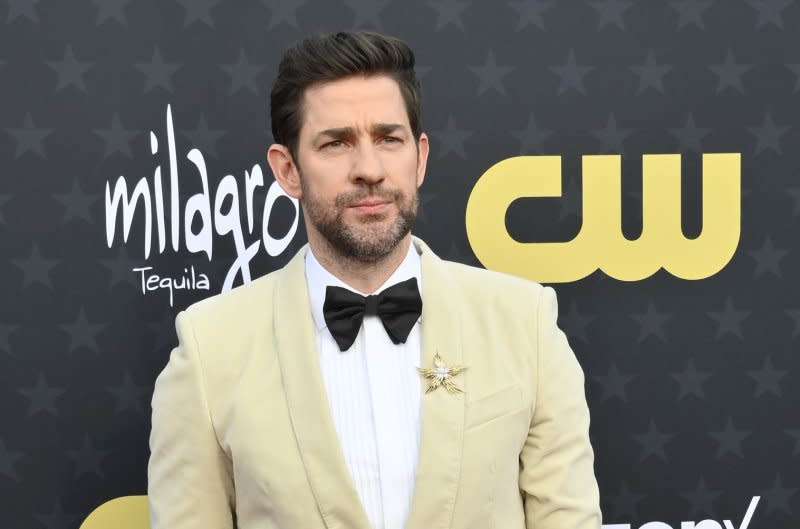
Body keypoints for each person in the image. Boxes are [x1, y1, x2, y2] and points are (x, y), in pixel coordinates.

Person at [148, 30, 601, 529]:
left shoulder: (525, 324)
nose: (369, 169)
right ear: (287, 169)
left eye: (388, 138)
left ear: (420, 157)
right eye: (336, 143)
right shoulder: (210, 350)